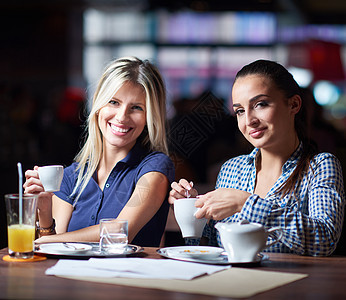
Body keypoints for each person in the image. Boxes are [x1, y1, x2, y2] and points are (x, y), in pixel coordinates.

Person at [169, 59, 345, 256]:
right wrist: (193, 211)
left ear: (293, 104)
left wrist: (246, 204)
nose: (249, 120)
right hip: (232, 284)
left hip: (291, 284)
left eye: (261, 104)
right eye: (240, 111)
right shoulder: (231, 170)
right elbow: (210, 247)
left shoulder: (320, 166)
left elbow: (324, 240)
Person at [24, 56, 175, 247]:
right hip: (72, 276)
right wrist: (44, 210)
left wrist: (44, 241)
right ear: (98, 105)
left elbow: (121, 232)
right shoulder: (72, 176)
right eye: (114, 102)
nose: (122, 117)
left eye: (136, 108)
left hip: (129, 276)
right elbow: (56, 246)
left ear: (149, 117)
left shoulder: (155, 167)